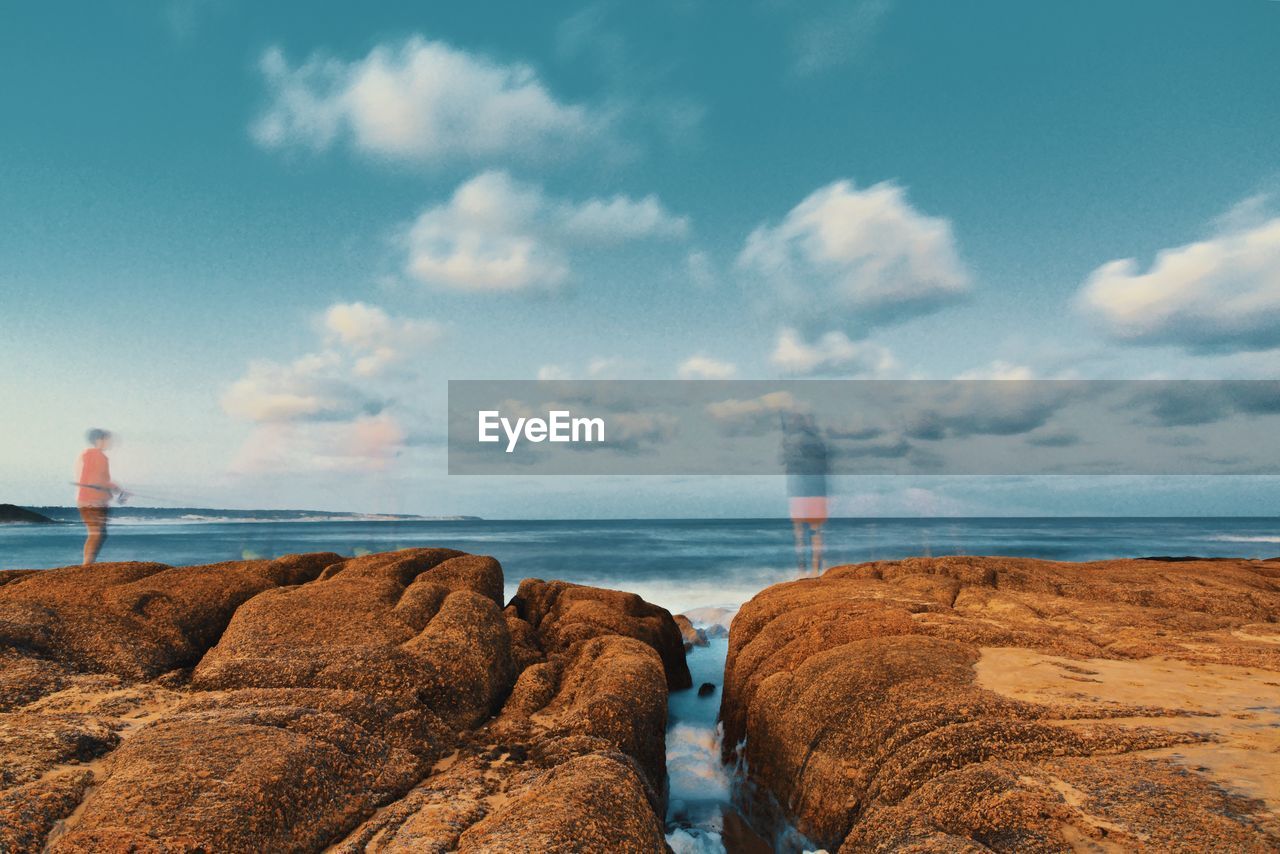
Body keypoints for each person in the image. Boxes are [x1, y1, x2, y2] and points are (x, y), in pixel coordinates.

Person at [782, 412, 829, 577]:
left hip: (812, 490)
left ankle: (812, 569)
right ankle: (807, 569)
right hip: (805, 491)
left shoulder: (811, 443)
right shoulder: (810, 443)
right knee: (804, 532)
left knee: (808, 532)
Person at [75, 428, 125, 565]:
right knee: (97, 533)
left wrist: (115, 489)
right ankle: (87, 565)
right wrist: (116, 488)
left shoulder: (89, 455)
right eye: (108, 439)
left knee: (98, 533)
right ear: (100, 440)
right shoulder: (97, 456)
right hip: (93, 501)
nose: (111, 442)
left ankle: (88, 564)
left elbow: (95, 480)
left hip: (90, 500)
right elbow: (96, 480)